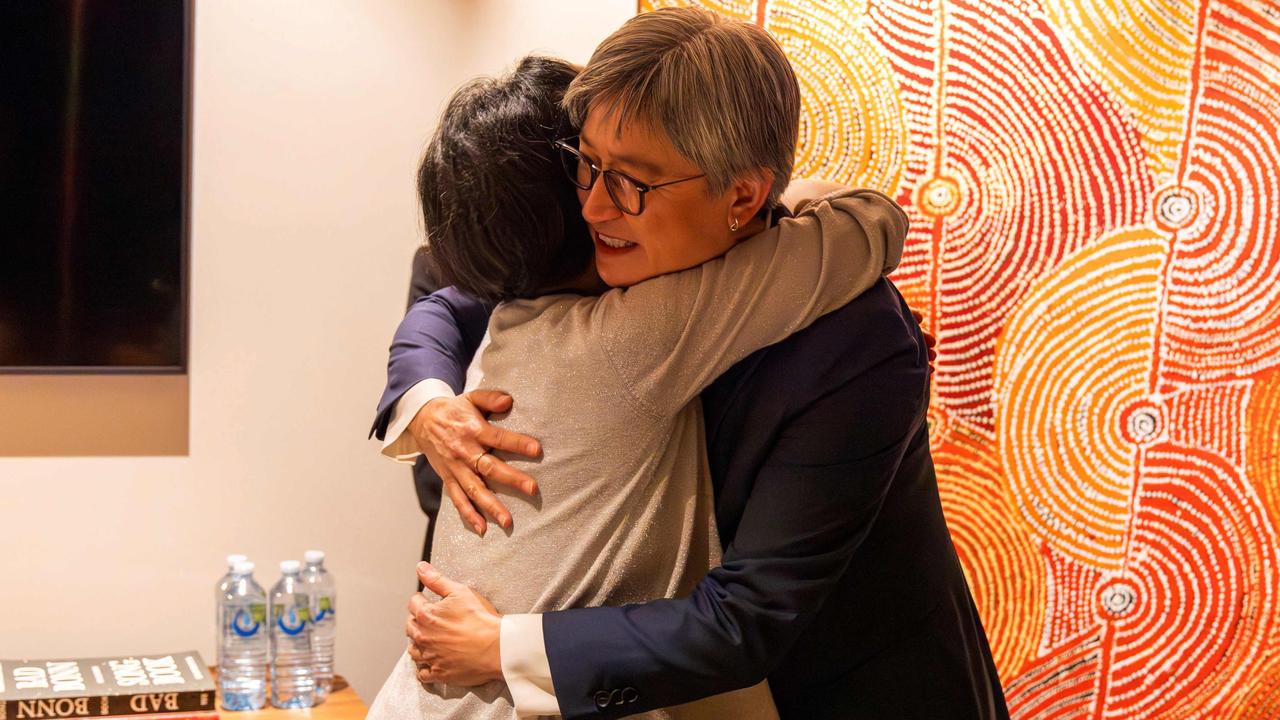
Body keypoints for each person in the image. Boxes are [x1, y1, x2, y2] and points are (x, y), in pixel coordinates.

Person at [372, 8, 1008, 720]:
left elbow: (750, 616)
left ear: (742, 196)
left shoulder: (854, 342)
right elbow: (445, 290)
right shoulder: (610, 268)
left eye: (632, 183)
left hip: (839, 692)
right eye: (585, 164)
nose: (589, 206)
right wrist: (427, 402)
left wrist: (505, 646)